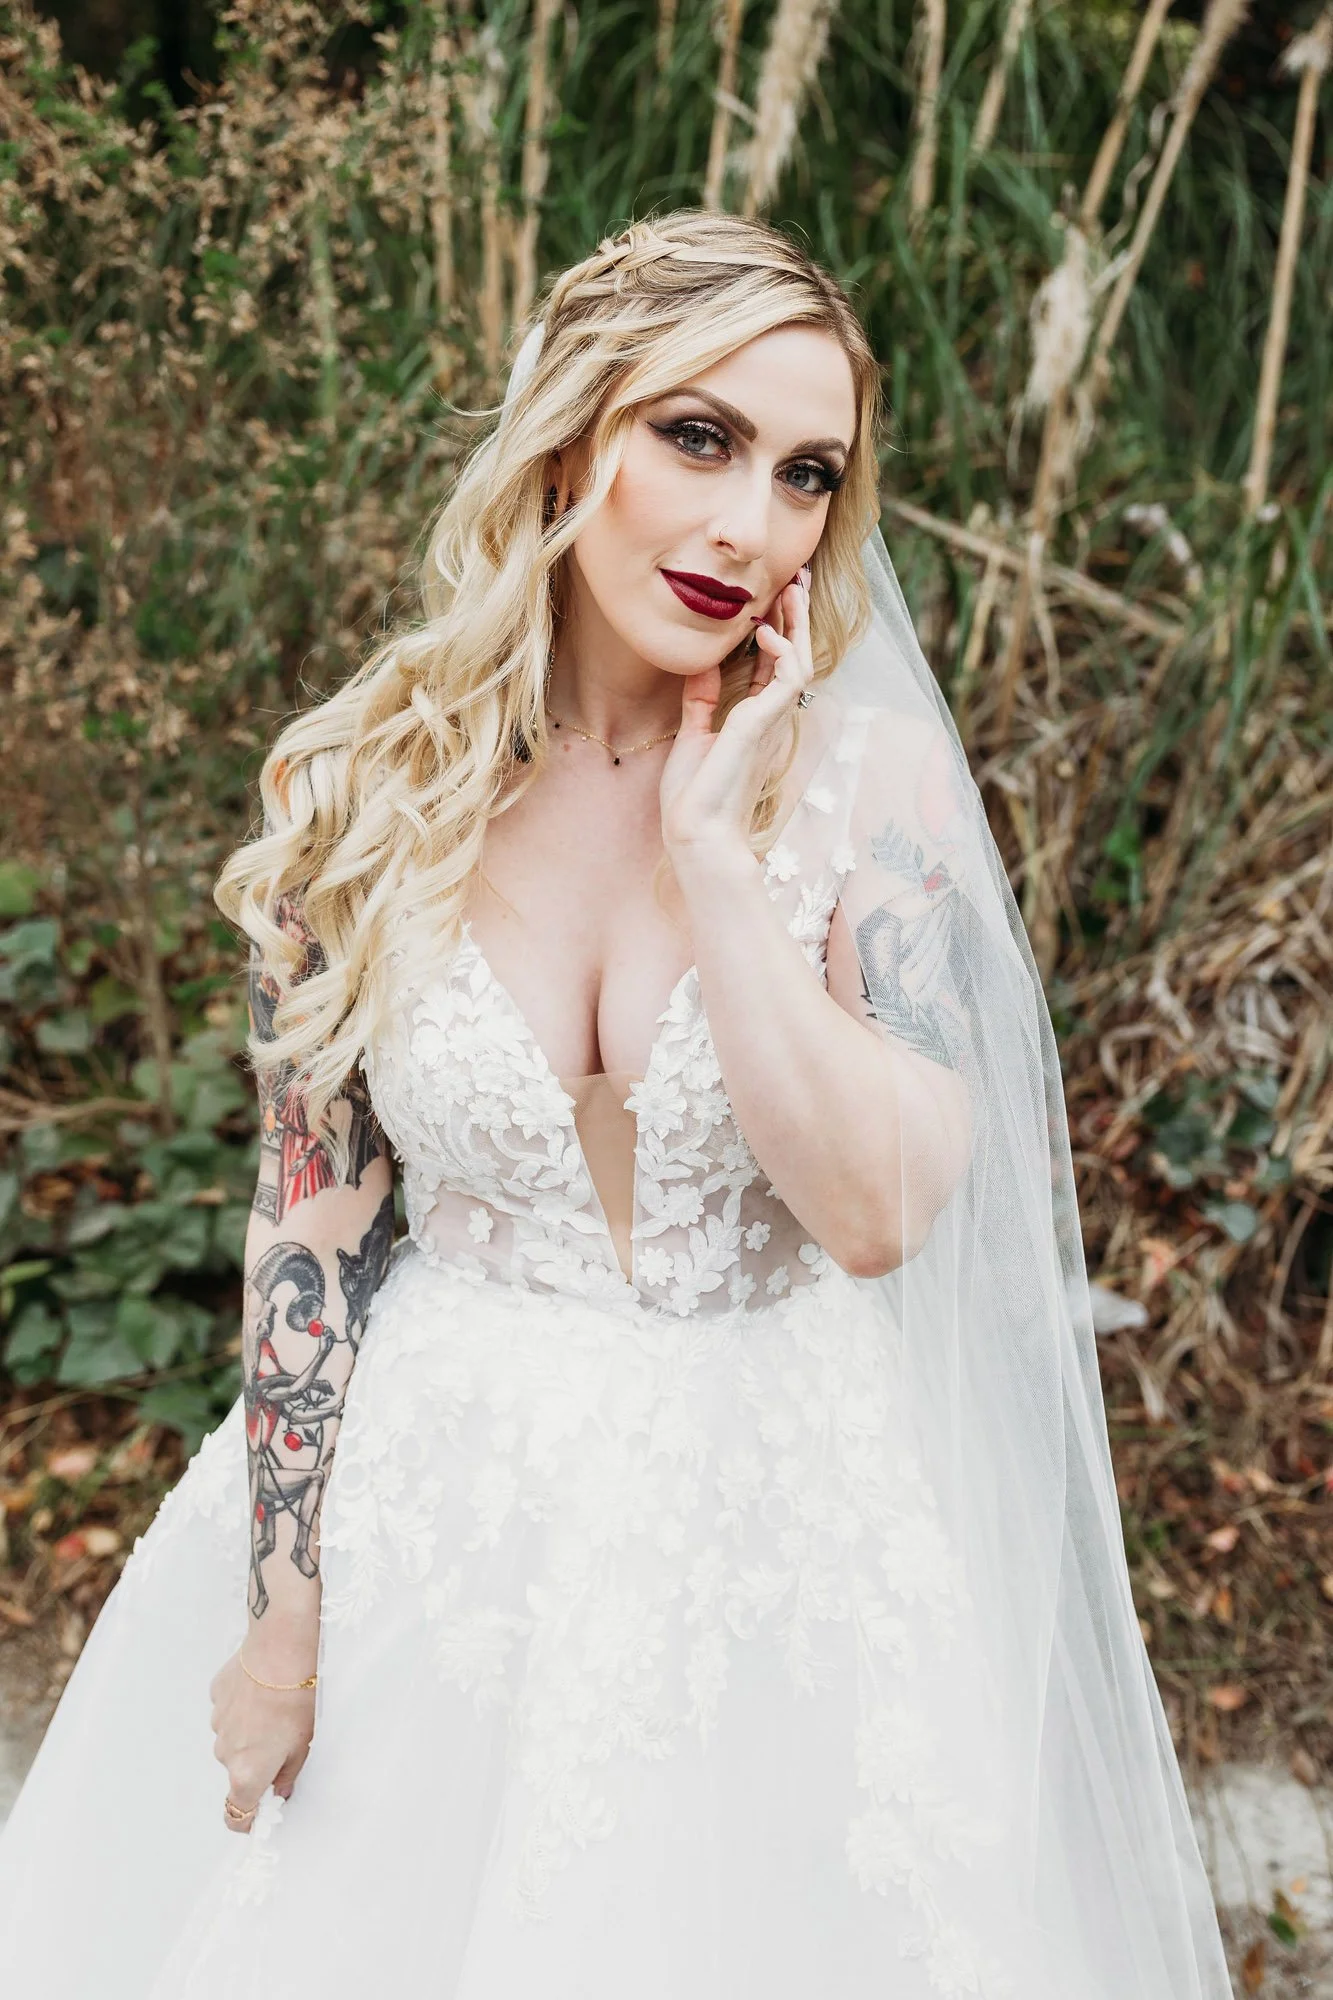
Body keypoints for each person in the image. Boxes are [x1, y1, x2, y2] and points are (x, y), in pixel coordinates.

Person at [0, 209, 1232, 1998]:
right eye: (700, 438)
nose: (752, 526)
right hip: (439, 1522)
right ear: (575, 436)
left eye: (805, 475)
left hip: (775, 1538)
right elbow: (309, 1235)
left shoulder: (867, 791)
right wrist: (280, 1623)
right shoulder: (363, 793)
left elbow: (880, 1215)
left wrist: (718, 863)